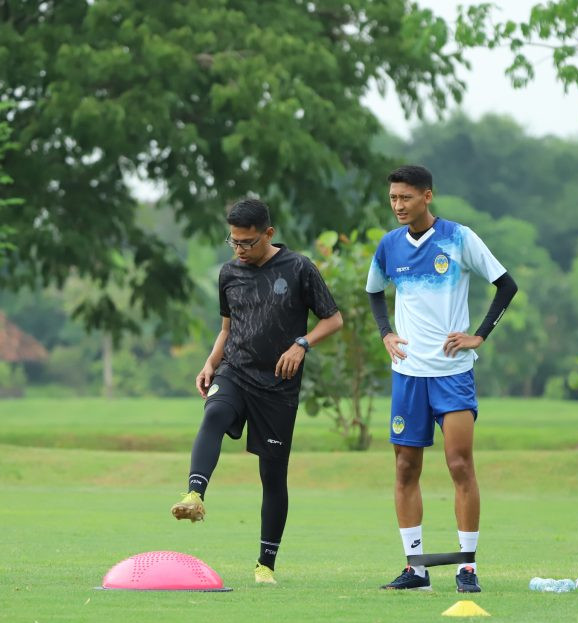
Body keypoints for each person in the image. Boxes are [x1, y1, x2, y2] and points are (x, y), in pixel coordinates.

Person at [171, 197, 343, 585]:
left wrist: (302, 344)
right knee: (213, 413)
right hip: (235, 370)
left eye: (248, 242)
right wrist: (210, 363)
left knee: (273, 475)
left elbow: (333, 320)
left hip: (278, 388)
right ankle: (194, 496)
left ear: (269, 234)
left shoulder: (298, 267)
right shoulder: (229, 273)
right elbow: (227, 329)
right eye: (233, 242)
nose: (239, 250)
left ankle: (265, 564)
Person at [366, 165, 518, 593]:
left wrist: (479, 336)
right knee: (405, 467)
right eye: (393, 198)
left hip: (452, 374)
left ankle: (466, 567)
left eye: (406, 198)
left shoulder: (458, 238)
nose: (397, 206)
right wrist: (386, 334)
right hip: (408, 375)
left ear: (427, 197)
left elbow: (506, 286)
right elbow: (374, 292)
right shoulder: (389, 246)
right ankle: (416, 570)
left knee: (459, 464)